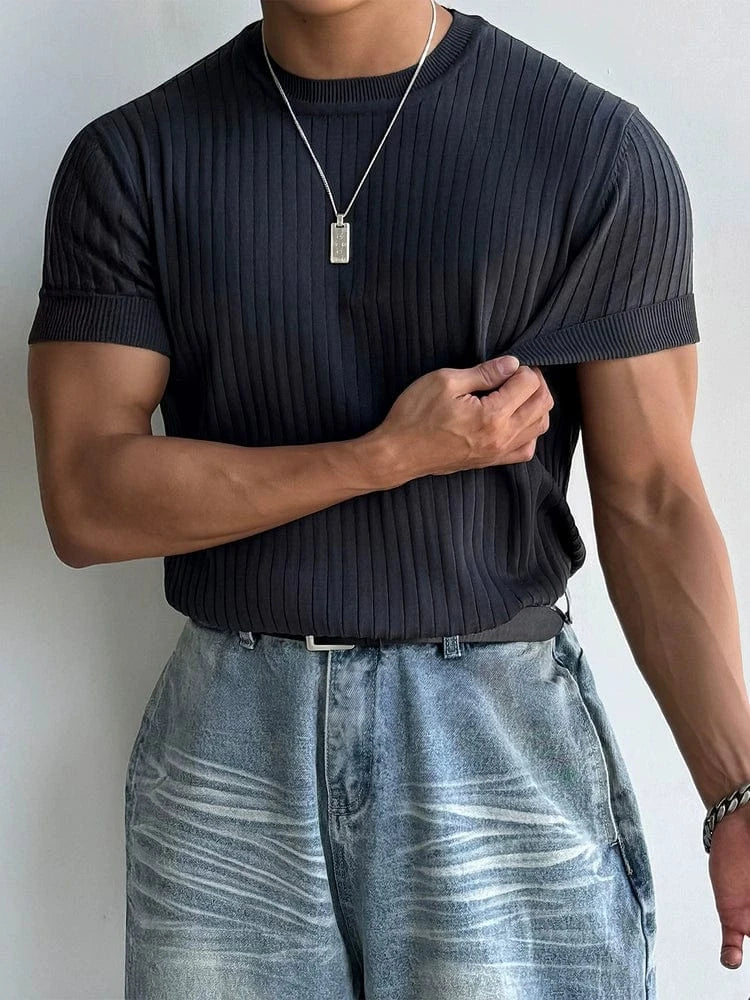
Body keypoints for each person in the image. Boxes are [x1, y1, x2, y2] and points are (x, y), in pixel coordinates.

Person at [26, 1, 750, 997]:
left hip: (491, 733)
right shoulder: (133, 160)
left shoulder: (590, 150)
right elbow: (85, 499)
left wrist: (735, 787)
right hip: (232, 742)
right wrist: (384, 457)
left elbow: (654, 497)